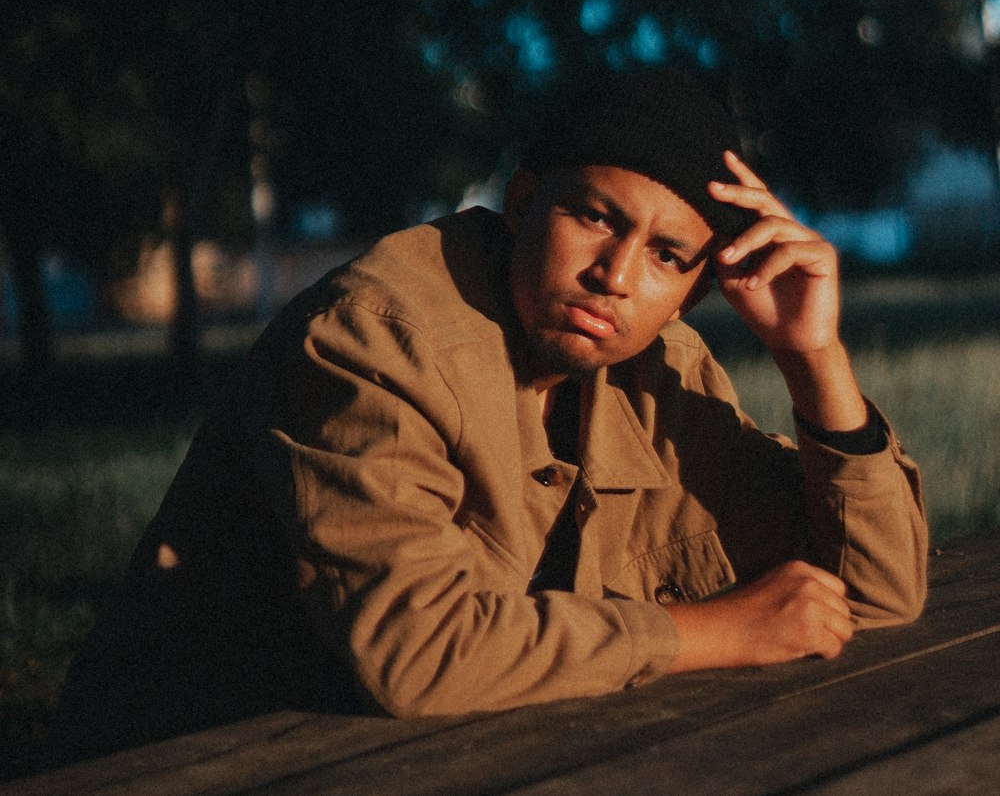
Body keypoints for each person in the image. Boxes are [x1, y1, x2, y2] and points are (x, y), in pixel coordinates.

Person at [57, 70, 926, 758]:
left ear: (697, 287)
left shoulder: (658, 374)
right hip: (200, 760)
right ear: (522, 204)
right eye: (595, 216)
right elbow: (415, 653)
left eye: (667, 256)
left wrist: (814, 361)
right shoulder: (373, 341)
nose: (617, 276)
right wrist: (708, 633)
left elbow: (877, 594)